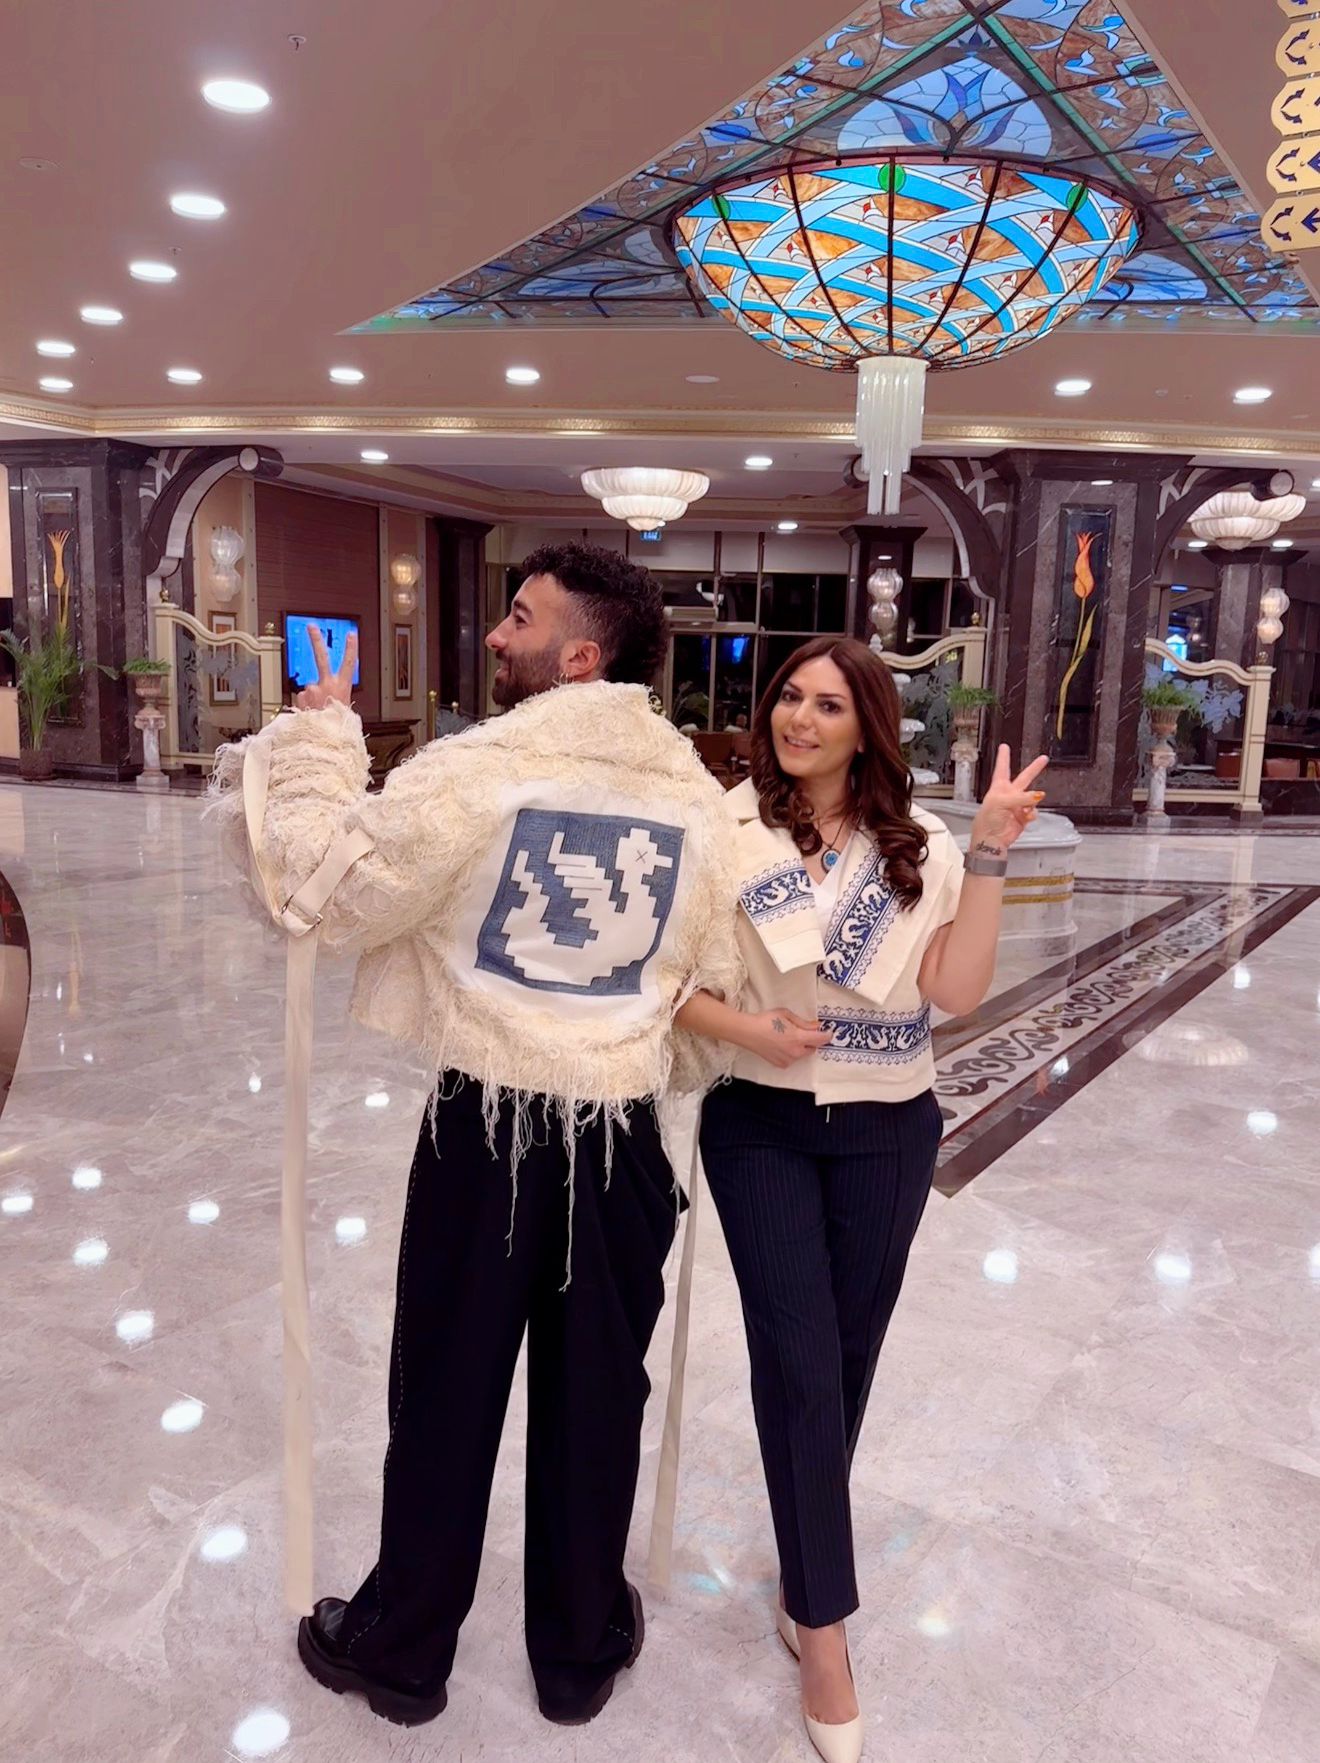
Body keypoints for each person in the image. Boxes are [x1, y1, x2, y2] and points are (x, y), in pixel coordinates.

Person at [211, 542, 739, 1729]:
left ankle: (404, 1651)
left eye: (522, 618)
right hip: (619, 1135)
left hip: (487, 1128)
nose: (498, 636)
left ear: (581, 655)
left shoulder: (480, 772)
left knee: (446, 1388)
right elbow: (715, 966)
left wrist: (323, 738)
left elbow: (326, 883)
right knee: (598, 1395)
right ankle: (579, 1648)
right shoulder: (693, 795)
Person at [675, 637, 1046, 1763]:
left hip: (890, 1125)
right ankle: (824, 1629)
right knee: (797, 1360)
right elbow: (668, 982)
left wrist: (989, 854)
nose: (800, 717)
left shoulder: (918, 843)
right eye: (789, 696)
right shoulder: (725, 829)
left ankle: (806, 1563)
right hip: (760, 1123)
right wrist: (750, 1029)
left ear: (867, 726)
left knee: (843, 1361)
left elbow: (955, 989)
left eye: (829, 704)